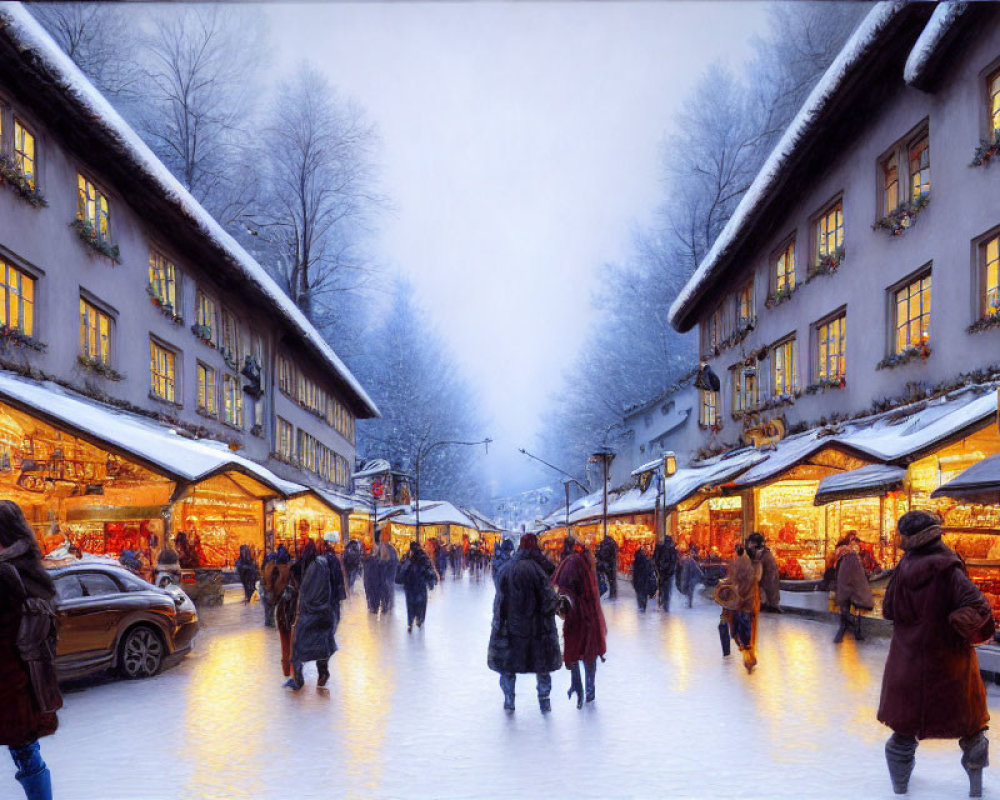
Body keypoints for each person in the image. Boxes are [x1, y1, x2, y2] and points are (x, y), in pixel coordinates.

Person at [877, 511, 994, 797]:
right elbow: (979, 611)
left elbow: (889, 609)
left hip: (907, 663)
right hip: (949, 666)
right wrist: (956, 623)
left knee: (903, 733)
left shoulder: (903, 568)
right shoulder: (949, 568)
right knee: (971, 730)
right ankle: (976, 788)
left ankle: (900, 788)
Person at [0, 500, 61, 800]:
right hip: (25, 682)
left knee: (25, 751)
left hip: (9, 681)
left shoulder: (6, 575)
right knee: (26, 751)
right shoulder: (31, 569)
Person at [488, 533, 562, 713]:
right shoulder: (538, 569)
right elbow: (548, 601)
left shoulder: (506, 568)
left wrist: (500, 624)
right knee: (542, 666)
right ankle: (544, 700)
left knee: (508, 666)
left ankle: (509, 699)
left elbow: (500, 601)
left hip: (511, 629)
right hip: (537, 629)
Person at [553, 537, 607, 707]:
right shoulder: (587, 561)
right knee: (590, 652)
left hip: (577, 614)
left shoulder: (570, 563)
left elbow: (562, 587)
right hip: (591, 613)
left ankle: (579, 687)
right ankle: (590, 689)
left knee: (575, 649)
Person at [284, 540, 338, 690]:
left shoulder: (311, 568)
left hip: (311, 615)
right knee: (322, 646)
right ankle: (323, 674)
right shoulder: (324, 563)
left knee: (296, 647)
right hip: (325, 613)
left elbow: (305, 593)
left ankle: (298, 680)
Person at [714, 544, 762, 673]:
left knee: (734, 631)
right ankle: (748, 656)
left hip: (735, 606)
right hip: (745, 607)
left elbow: (732, 583)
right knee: (745, 634)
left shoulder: (735, 566)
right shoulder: (749, 569)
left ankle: (731, 654)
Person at [832, 531, 874, 643]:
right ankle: (855, 630)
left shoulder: (842, 551)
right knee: (854, 606)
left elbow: (833, 565)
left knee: (845, 605)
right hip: (854, 579)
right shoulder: (852, 551)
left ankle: (845, 631)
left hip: (847, 579)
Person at [396, 541, 438, 632]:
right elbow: (428, 571)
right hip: (420, 586)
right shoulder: (423, 557)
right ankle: (419, 619)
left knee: (410, 605)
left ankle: (410, 622)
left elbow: (401, 571)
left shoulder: (407, 557)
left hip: (410, 586)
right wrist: (431, 583)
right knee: (421, 604)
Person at [270, 546, 296, 676]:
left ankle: (286, 671)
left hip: (281, 612)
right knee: (293, 642)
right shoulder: (292, 571)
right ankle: (294, 671)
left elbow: (273, 594)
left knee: (284, 642)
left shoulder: (275, 572)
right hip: (292, 611)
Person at [318, 535, 347, 633]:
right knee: (334, 617)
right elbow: (339, 577)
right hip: (334, 595)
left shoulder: (322, 560)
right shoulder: (334, 558)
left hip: (328, 596)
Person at [746, 532, 781, 612]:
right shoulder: (764, 552)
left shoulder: (760, 555)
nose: (748, 545)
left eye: (750, 542)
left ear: (753, 543)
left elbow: (757, 575)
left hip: (766, 596)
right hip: (771, 594)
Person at [653, 535, 678, 612]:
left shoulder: (669, 549)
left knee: (663, 589)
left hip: (665, 573)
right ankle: (663, 605)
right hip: (664, 573)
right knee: (664, 589)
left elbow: (673, 562)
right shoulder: (667, 549)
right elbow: (656, 560)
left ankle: (663, 605)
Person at [630, 548, 657, 612]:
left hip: (638, 584)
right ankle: (643, 610)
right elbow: (651, 574)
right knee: (644, 598)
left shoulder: (635, 563)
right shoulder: (647, 562)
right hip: (645, 584)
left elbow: (634, 575)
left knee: (640, 598)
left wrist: (634, 583)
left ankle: (641, 611)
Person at [595, 534, 619, 599]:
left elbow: (602, 554)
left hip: (607, 564)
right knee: (612, 580)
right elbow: (616, 552)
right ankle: (613, 594)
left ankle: (612, 594)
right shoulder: (613, 544)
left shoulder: (605, 545)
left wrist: (599, 556)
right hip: (612, 564)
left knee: (609, 580)